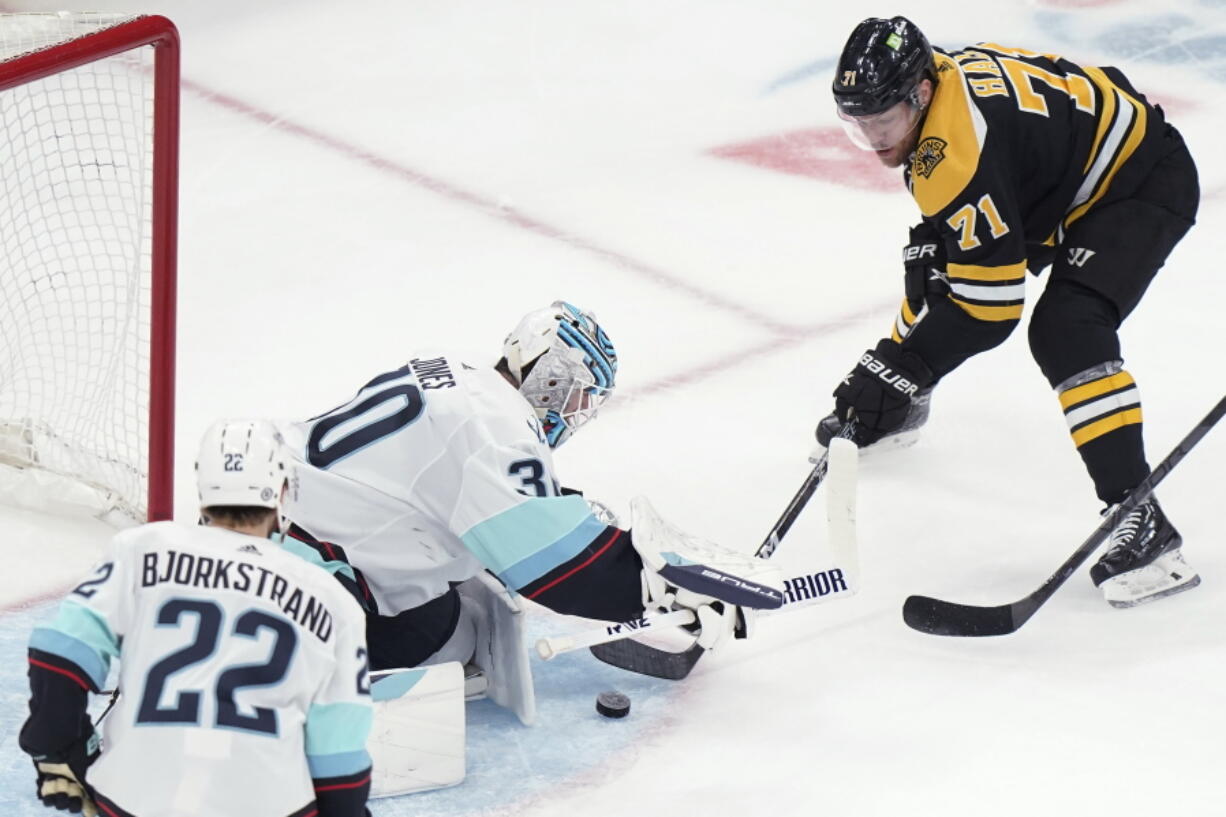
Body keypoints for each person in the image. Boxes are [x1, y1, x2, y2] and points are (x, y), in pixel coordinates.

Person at [819, 17, 1200, 608]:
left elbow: (991, 308)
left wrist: (897, 364)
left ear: (919, 94)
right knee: (934, 267)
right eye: (858, 123)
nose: (873, 139)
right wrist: (894, 373)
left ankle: (1141, 518)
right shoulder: (934, 94)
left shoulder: (954, 147)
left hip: (1139, 179)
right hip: (1062, 174)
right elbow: (955, 276)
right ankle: (901, 411)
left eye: (883, 120)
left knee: (1068, 330)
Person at [276, 301, 783, 692]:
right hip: (308, 588)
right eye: (578, 390)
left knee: (448, 599)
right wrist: (658, 592)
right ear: (550, 373)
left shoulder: (454, 375)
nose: (577, 407)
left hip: (265, 513)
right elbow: (558, 569)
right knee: (447, 639)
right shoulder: (497, 428)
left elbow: (464, 485)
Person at [19, 421, 373, 817]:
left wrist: (61, 746)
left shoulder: (141, 548)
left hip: (132, 798)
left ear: (204, 487)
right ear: (283, 493)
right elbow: (339, 766)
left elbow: (60, 652)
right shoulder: (331, 599)